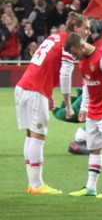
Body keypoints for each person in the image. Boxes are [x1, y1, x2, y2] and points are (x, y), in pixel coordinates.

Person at [15, 11, 90, 194]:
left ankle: (33, 183)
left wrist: (48, 95)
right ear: (76, 28)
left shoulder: (55, 37)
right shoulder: (69, 44)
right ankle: (36, 184)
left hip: (23, 87)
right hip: (34, 90)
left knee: (31, 135)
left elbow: (43, 64)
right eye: (85, 28)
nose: (88, 32)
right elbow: (65, 74)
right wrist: (67, 103)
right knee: (38, 136)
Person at [65, 33, 102, 199]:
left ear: (82, 46)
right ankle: (90, 187)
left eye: (75, 53)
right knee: (94, 149)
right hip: (93, 112)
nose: (75, 58)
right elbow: (88, 85)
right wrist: (84, 107)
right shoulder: (82, 62)